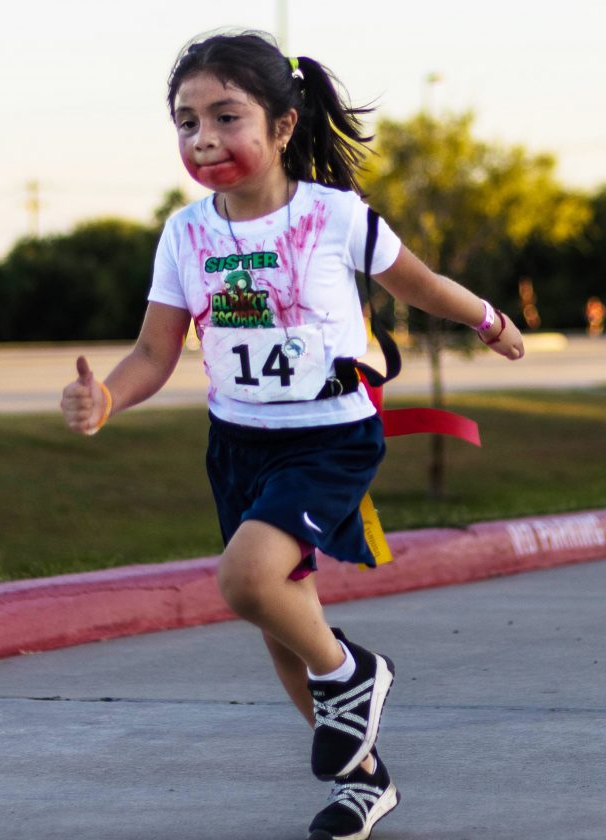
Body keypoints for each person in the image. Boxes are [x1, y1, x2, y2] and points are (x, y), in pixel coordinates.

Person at [60, 30, 524, 840]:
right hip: (238, 445)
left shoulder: (334, 216)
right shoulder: (187, 234)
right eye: (185, 122)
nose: (203, 139)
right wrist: (107, 401)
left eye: (225, 118)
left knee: (246, 580)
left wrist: (488, 319)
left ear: (281, 125)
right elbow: (153, 352)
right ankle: (361, 780)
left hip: (331, 437)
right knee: (280, 617)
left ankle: (355, 673)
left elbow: (421, 286)